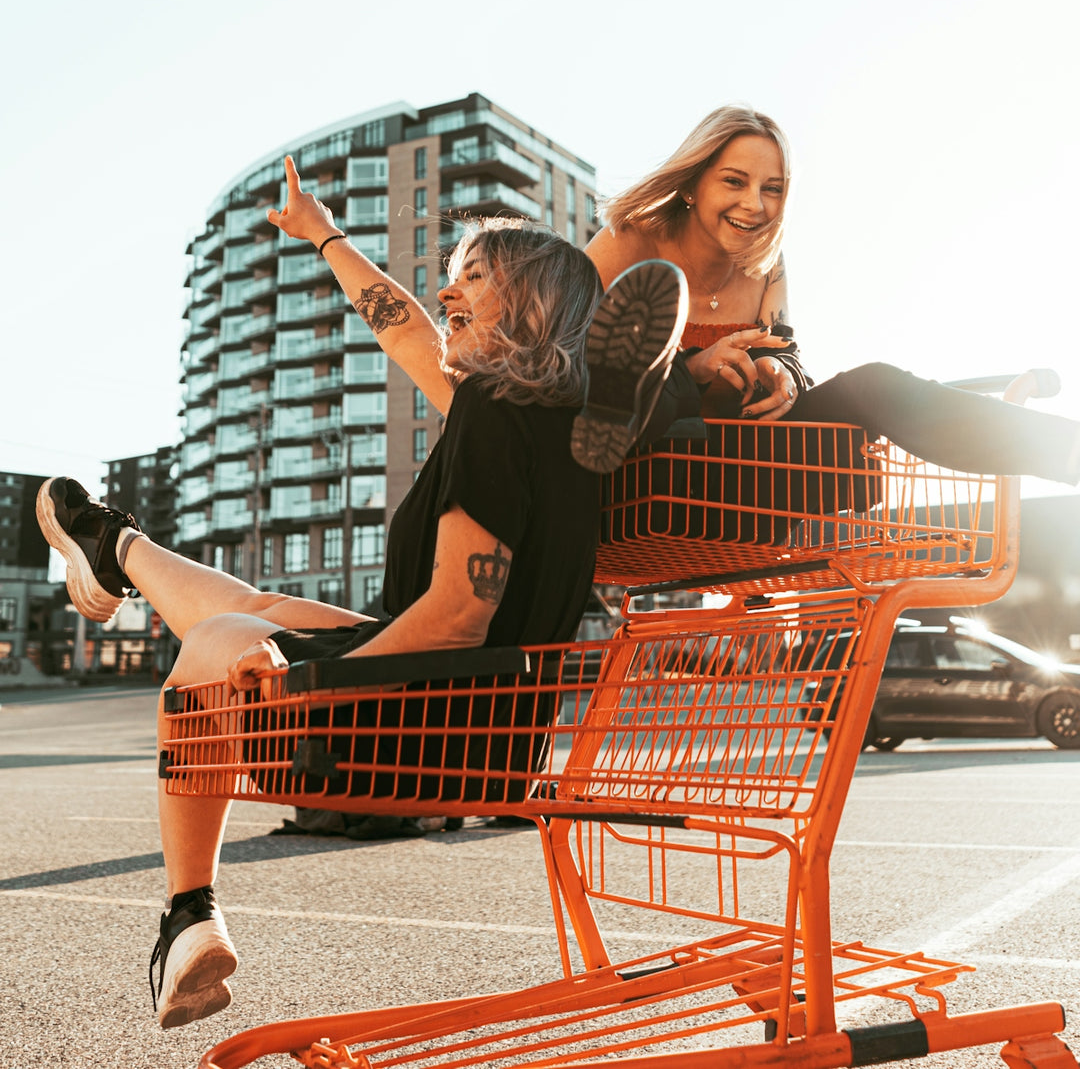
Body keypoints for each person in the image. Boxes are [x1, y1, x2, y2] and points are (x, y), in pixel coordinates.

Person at [35, 156, 683, 1031]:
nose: (446, 292)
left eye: (473, 279)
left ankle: (188, 911)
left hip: (429, 733)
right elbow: (404, 330)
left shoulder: (493, 411)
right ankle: (117, 545)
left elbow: (457, 615)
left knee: (219, 646)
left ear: (527, 301)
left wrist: (309, 686)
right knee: (263, 614)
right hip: (492, 725)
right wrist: (325, 234)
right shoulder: (552, 427)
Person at [574, 104, 1080, 486]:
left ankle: (1066, 453)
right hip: (650, 475)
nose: (755, 206)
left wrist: (784, 378)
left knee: (873, 387)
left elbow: (790, 356)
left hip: (745, 473)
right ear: (691, 185)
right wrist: (693, 368)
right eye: (735, 181)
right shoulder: (629, 243)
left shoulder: (766, 262)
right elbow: (569, 366)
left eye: (772, 189)